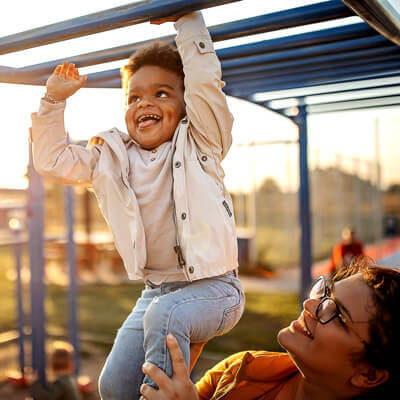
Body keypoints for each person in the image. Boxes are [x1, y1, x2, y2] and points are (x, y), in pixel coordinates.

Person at [30, 10, 244, 400]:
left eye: (162, 93)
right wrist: (52, 101)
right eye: (134, 97)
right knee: (112, 386)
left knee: (165, 321)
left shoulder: (201, 143)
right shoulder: (111, 157)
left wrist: (188, 21)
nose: (145, 103)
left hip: (216, 289)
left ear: (185, 104)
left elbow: (204, 83)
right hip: (156, 291)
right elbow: (52, 161)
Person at [140, 259, 400, 400]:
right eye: (325, 294)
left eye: (337, 314)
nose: (310, 304)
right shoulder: (240, 369)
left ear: (369, 375)